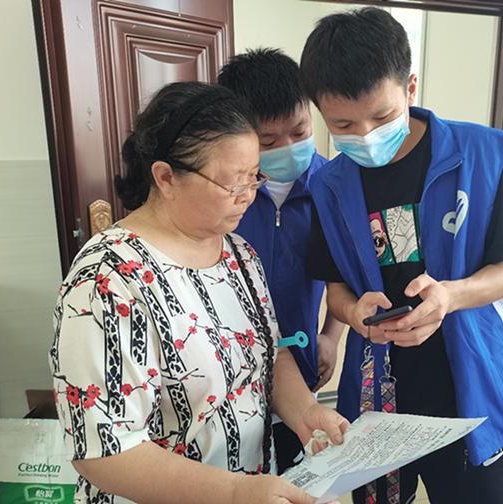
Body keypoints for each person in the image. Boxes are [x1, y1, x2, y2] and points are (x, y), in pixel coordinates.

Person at [48, 82, 347, 504]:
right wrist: (234, 492)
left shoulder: (238, 254)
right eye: (233, 184)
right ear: (166, 177)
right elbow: (104, 451)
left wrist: (306, 412)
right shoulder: (106, 280)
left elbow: (270, 354)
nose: (248, 197)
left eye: (254, 177)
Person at [299, 8, 503, 503]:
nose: (365, 135)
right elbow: (335, 288)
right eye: (343, 124)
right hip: (377, 394)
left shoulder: (476, 155)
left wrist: (449, 296)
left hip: (469, 386)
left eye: (382, 117)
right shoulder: (330, 185)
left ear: (410, 88)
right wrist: (353, 314)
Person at [218, 48, 345, 473]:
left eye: (299, 131)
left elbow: (346, 274)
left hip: (301, 367)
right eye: (269, 142)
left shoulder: (333, 187)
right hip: (229, 377)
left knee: (295, 474)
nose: (288, 149)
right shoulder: (224, 196)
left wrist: (331, 336)